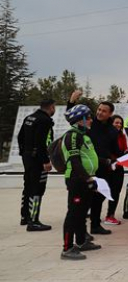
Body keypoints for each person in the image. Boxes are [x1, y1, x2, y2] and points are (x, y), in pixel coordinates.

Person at [67, 91, 118, 235]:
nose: (100, 113)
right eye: (99, 109)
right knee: (84, 201)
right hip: (86, 169)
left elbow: (115, 150)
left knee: (99, 198)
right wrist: (71, 101)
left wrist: (123, 157)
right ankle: (81, 233)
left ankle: (95, 225)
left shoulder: (113, 130)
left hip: (103, 167)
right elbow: (72, 116)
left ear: (110, 114)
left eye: (104, 111)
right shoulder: (89, 123)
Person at [60, 104, 102, 260]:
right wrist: (88, 179)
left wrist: (109, 162)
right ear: (80, 120)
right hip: (77, 180)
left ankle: (82, 241)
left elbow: (90, 158)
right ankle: (67, 248)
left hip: (86, 179)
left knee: (83, 212)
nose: (91, 120)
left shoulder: (84, 135)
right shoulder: (72, 136)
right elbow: (75, 161)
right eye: (88, 117)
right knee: (73, 213)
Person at [18, 98, 56, 231]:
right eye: (54, 108)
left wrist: (24, 153)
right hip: (38, 159)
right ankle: (34, 221)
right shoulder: (44, 120)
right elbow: (41, 142)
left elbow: (20, 137)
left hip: (28, 157)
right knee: (38, 189)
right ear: (51, 107)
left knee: (28, 185)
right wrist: (45, 160)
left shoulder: (30, 117)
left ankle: (25, 216)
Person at [104, 115, 127, 226]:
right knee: (102, 191)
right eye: (116, 123)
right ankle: (92, 212)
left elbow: (123, 150)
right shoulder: (107, 135)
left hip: (118, 166)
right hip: (107, 167)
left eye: (120, 123)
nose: (118, 125)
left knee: (115, 191)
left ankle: (110, 215)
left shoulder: (122, 136)